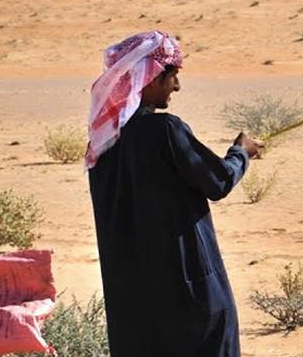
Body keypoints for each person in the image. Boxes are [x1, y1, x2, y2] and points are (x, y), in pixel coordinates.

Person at [86, 31, 263, 357]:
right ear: (149, 78)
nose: (177, 87)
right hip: (190, 299)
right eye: (172, 77)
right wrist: (241, 152)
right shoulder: (165, 130)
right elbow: (218, 182)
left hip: (132, 307)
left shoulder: (100, 147)